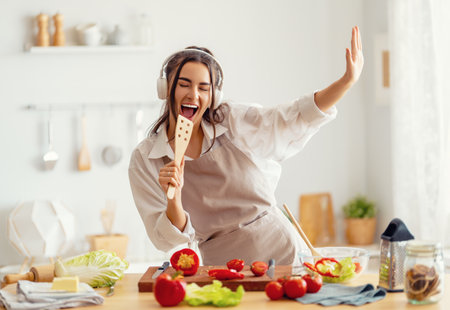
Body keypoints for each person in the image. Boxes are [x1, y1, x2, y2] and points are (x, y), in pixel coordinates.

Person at [129, 26, 364, 265]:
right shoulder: (146, 159)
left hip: (282, 251)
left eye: (203, 88)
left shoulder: (231, 121)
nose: (193, 95)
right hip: (223, 266)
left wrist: (345, 82)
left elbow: (289, 118)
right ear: (165, 88)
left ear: (214, 96)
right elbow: (167, 241)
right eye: (184, 84)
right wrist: (174, 200)